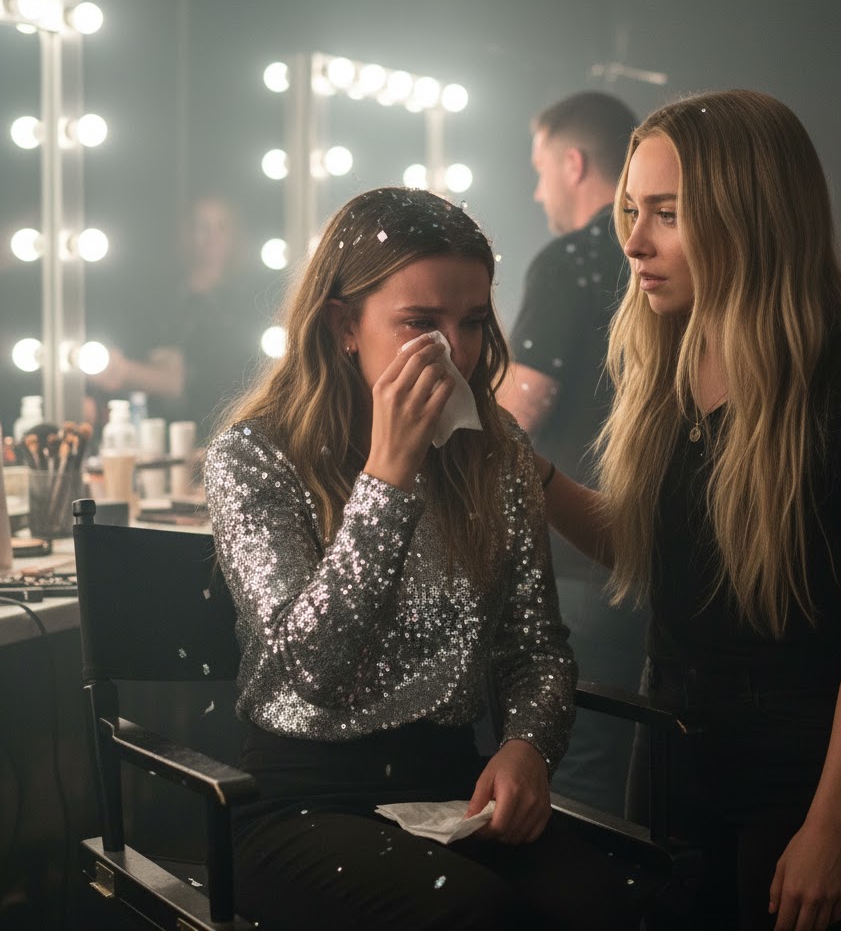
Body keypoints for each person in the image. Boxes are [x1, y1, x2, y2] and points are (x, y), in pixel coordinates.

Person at [535, 90, 841, 930]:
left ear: (749, 214)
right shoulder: (665, 373)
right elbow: (643, 547)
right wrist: (531, 478)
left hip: (797, 773)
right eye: (632, 211)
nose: (634, 242)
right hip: (670, 750)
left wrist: (832, 825)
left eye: (666, 214)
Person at [203, 188, 640, 930]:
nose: (455, 352)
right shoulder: (255, 457)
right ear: (345, 324)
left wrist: (528, 746)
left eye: (471, 323)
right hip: (298, 801)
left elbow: (535, 649)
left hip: (449, 786)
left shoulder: (491, 450)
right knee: (472, 912)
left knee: (605, 904)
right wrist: (387, 480)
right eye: (420, 323)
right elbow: (313, 671)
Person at [498, 90, 647, 815]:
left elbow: (519, 409)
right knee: (633, 765)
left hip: (578, 551)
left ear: (574, 161)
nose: (535, 190)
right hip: (649, 541)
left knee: (578, 781)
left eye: (539, 170)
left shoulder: (570, 262)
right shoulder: (659, 257)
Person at [91, 195, 265, 443]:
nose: (211, 236)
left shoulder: (248, 303)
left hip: (224, 426)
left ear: (235, 234)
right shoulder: (161, 299)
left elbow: (225, 376)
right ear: (186, 233)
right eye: (202, 226)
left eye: (221, 226)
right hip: (158, 428)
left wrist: (136, 373)